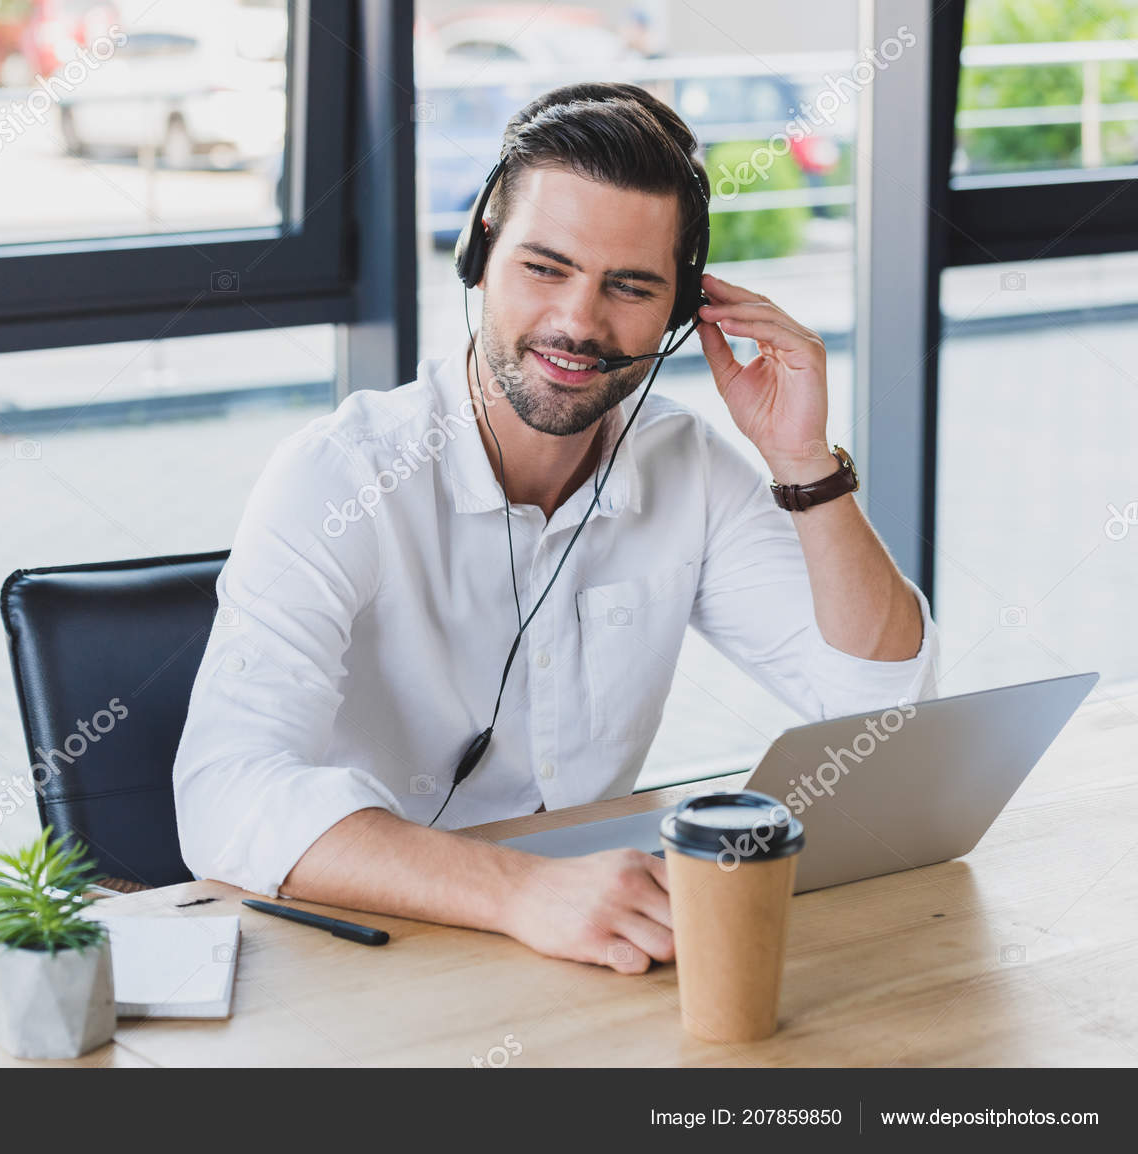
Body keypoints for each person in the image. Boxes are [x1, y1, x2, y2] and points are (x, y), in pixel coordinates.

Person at [173, 82, 938, 973]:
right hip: (372, 952)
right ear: (480, 253)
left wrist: (805, 463)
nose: (578, 322)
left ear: (683, 313)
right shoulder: (339, 478)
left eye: (630, 286)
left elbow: (881, 712)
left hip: (588, 954)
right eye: (545, 267)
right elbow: (225, 797)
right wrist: (520, 890)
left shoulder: (685, 468)